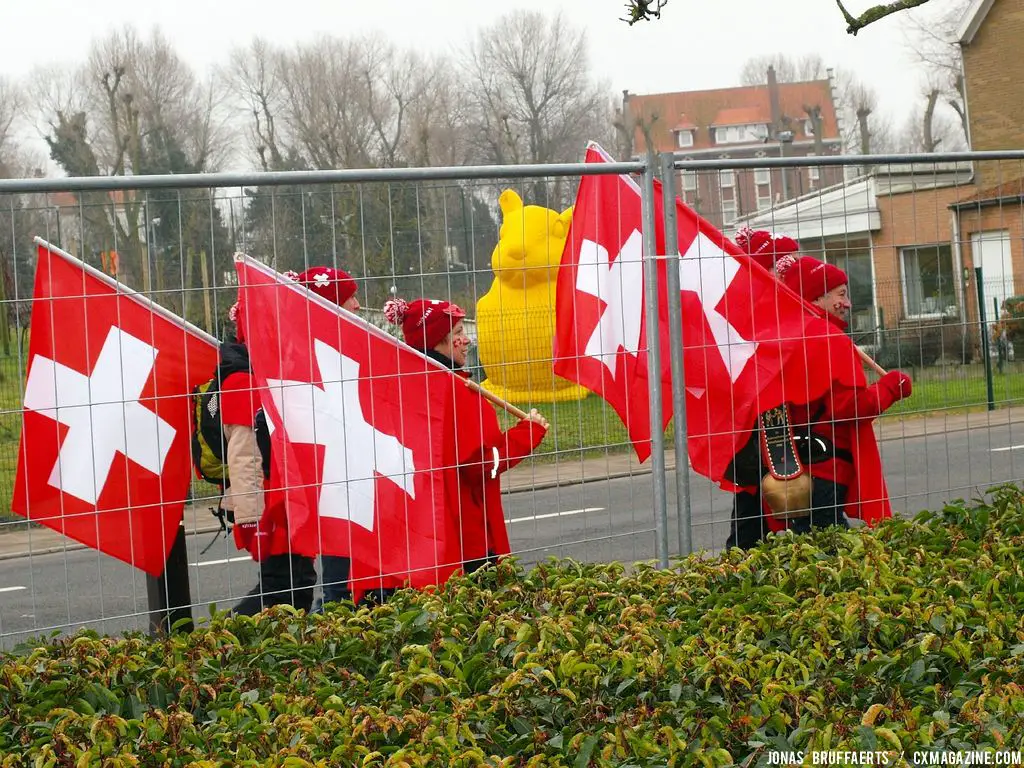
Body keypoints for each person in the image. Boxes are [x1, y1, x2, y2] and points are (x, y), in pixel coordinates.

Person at [725, 231, 913, 550]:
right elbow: (846, 407)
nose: (847, 302)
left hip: (787, 457)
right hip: (818, 460)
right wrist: (890, 389)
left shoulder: (788, 335)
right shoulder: (824, 339)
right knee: (821, 545)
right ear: (818, 297)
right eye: (840, 293)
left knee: (767, 538)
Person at [366, 296, 549, 605]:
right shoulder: (455, 392)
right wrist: (527, 435)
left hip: (425, 533)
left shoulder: (411, 384)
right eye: (459, 333)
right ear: (438, 340)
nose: (466, 341)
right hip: (468, 535)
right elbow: (480, 465)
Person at [222, 265, 359, 615]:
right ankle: (228, 639)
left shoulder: (281, 367)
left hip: (287, 497)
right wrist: (252, 519)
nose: (358, 306)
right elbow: (244, 454)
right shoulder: (244, 379)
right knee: (283, 584)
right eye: (349, 299)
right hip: (271, 504)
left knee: (294, 583)